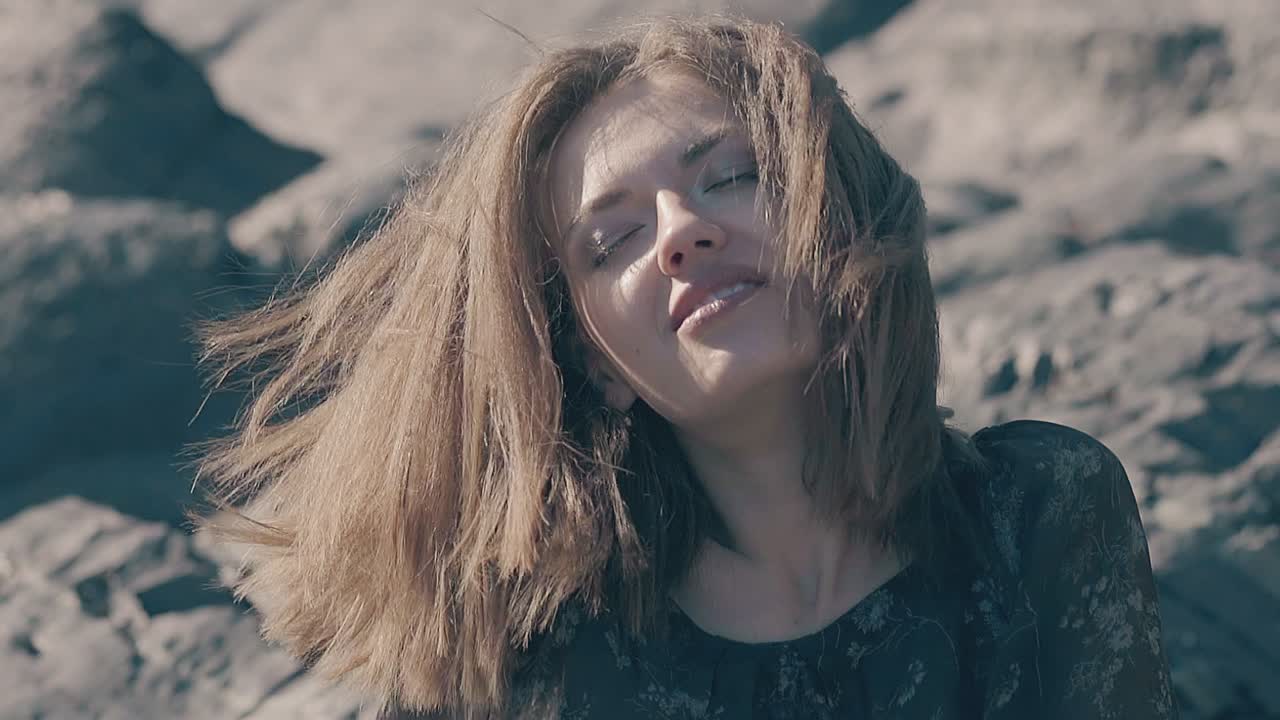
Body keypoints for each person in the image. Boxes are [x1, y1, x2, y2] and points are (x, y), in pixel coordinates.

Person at [190, 14, 1179, 720]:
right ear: (593, 361)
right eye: (610, 241)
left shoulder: (1038, 510)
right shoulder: (536, 668)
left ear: (838, 220)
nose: (679, 235)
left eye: (730, 176)